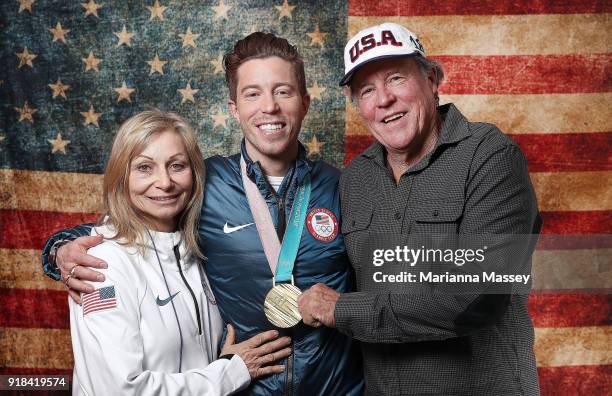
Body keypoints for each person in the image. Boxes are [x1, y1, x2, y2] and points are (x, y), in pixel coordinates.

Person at [42, 33, 364, 395]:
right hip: (243, 388)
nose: (269, 107)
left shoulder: (345, 187)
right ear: (233, 107)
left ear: (305, 103)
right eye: (253, 93)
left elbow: (385, 274)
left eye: (283, 91)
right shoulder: (204, 183)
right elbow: (136, 223)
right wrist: (61, 249)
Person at [298, 23, 542, 395]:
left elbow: (476, 298)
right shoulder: (355, 180)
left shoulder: (490, 157)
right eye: (366, 90)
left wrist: (341, 311)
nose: (383, 100)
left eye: (395, 78)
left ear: (431, 78)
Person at [66, 110, 292, 395]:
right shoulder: (102, 265)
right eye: (144, 168)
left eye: (176, 166)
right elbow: (120, 389)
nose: (164, 182)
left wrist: (221, 364)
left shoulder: (197, 250)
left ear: (194, 174)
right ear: (120, 177)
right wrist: (231, 371)